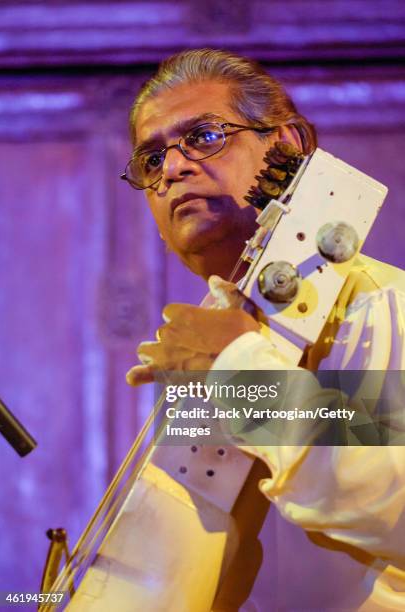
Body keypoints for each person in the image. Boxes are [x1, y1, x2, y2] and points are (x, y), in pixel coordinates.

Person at [123, 49, 405, 610]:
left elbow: (394, 505)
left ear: (288, 146)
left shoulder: (381, 306)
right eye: (152, 159)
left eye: (203, 136)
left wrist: (240, 370)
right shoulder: (210, 343)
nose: (173, 168)